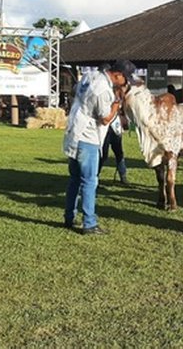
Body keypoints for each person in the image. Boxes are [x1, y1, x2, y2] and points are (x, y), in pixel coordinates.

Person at [63, 60, 133, 234]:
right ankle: (89, 223)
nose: (126, 83)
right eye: (126, 79)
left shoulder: (89, 76)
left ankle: (69, 217)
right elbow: (105, 118)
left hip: (74, 131)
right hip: (88, 137)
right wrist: (117, 103)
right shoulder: (104, 90)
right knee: (89, 181)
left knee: (74, 179)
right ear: (118, 75)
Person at [99, 109, 128, 184]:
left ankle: (123, 176)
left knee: (119, 153)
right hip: (105, 127)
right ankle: (95, 177)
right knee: (103, 155)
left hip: (115, 126)